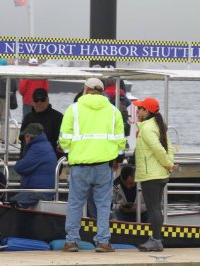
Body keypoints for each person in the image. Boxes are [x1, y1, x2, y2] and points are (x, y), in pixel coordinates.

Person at [59, 78, 126, 253]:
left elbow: (64, 138)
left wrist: (69, 154)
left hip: (79, 165)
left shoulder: (73, 109)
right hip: (104, 166)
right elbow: (120, 140)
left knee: (75, 204)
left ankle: (72, 241)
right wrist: (117, 159)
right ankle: (103, 242)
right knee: (103, 205)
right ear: (102, 91)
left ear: (85, 89)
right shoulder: (113, 111)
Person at [132, 97, 177, 252]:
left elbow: (158, 148)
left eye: (140, 109)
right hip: (160, 173)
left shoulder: (147, 128)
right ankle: (156, 239)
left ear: (147, 111)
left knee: (153, 209)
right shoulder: (158, 126)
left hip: (151, 174)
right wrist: (168, 165)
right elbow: (169, 147)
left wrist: (167, 164)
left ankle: (156, 240)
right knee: (156, 208)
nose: (137, 111)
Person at [10, 123, 57, 208]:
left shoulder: (37, 148)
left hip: (39, 192)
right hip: (42, 190)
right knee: (13, 202)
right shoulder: (44, 145)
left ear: (29, 136)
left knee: (11, 204)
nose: (25, 139)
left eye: (25, 136)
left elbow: (20, 167)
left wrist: (19, 162)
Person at [19, 88, 63, 159]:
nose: (39, 103)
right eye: (36, 100)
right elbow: (23, 141)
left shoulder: (58, 117)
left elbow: (62, 142)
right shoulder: (28, 118)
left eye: (42, 100)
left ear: (47, 100)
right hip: (31, 159)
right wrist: (22, 158)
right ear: (32, 101)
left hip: (51, 159)